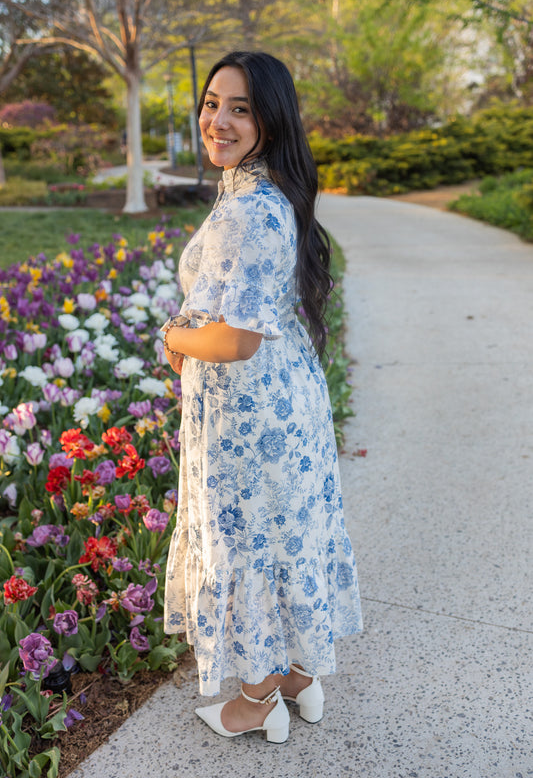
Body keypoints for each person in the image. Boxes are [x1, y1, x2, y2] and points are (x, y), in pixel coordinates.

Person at [162, 51, 362, 743]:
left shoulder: (250, 208)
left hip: (249, 414)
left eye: (239, 108)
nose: (217, 119)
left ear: (269, 121)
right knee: (286, 537)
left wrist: (174, 335)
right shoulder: (264, 192)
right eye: (212, 102)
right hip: (280, 401)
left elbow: (236, 339)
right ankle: (299, 679)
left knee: (249, 543)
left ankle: (255, 701)